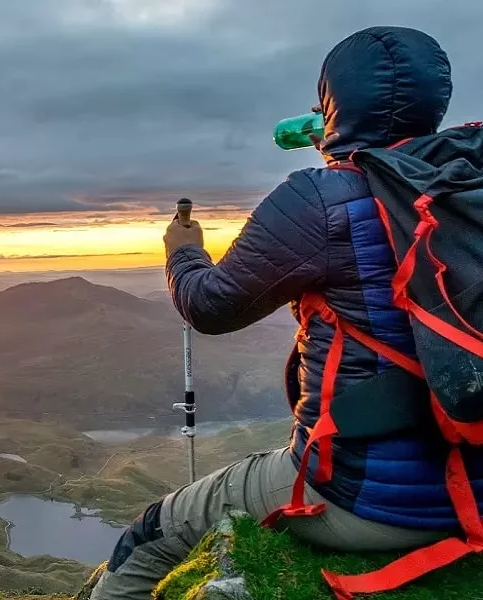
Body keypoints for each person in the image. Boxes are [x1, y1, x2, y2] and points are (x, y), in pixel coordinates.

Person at [91, 25, 482, 600]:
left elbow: (210, 306)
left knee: (152, 534)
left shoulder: (321, 198)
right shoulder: (466, 189)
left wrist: (183, 252)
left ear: (333, 103)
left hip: (364, 499)